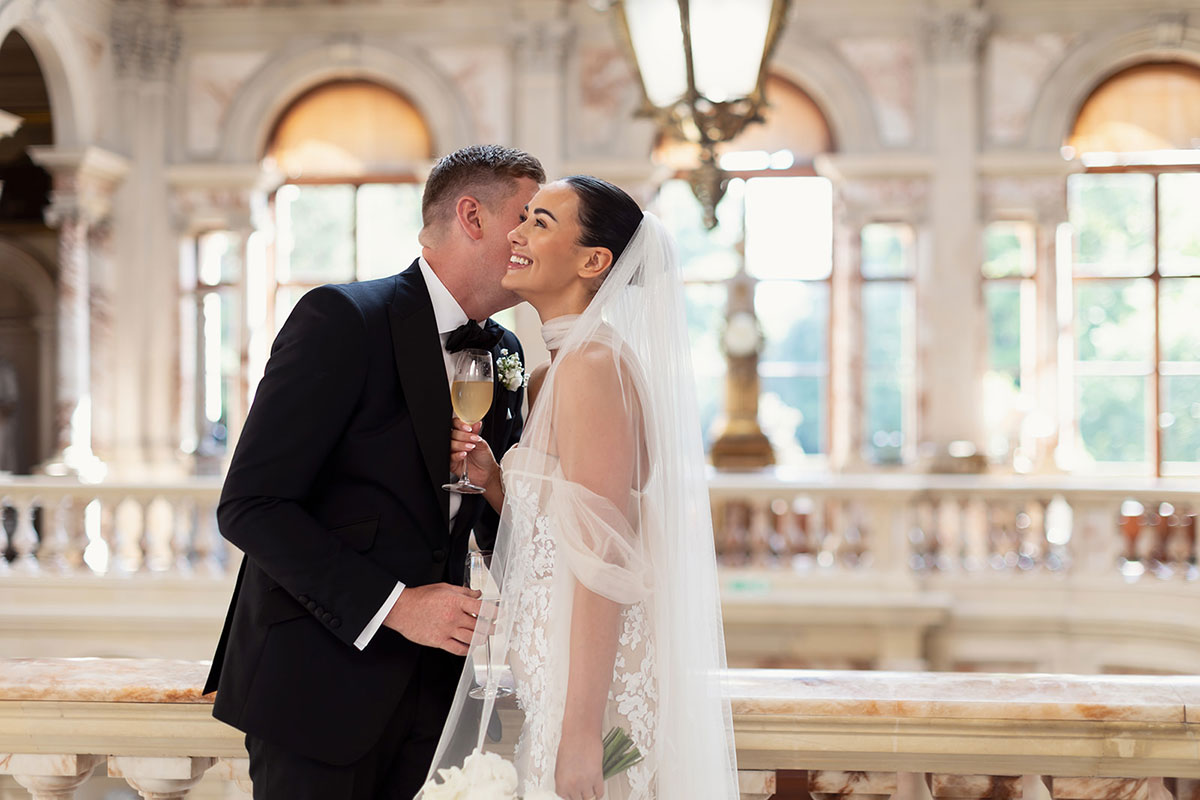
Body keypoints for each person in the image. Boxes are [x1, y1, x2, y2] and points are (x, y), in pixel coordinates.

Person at [203, 144, 546, 800]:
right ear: (472, 217)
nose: (533, 239)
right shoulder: (342, 319)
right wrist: (398, 607)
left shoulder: (504, 352)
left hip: (439, 698)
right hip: (318, 687)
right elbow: (251, 504)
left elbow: (478, 527)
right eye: (526, 219)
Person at [425, 176, 738, 800]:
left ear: (594, 261)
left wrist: (581, 732)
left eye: (539, 223)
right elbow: (562, 531)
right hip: (552, 680)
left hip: (589, 696)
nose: (515, 232)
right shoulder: (553, 371)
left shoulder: (594, 367)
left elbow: (604, 566)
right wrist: (493, 483)